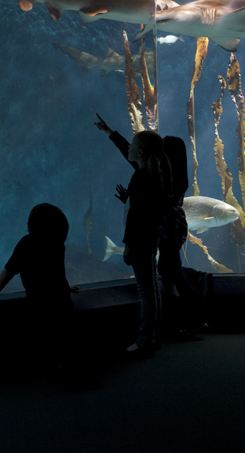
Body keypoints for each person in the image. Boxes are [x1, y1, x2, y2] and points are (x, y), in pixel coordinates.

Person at [95, 115, 209, 338]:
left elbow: (153, 203)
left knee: (170, 270)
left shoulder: (163, 178)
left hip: (169, 231)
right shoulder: (169, 176)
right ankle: (185, 313)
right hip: (172, 231)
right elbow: (133, 155)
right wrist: (111, 133)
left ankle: (196, 310)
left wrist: (134, 199)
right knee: (167, 269)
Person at [0, 203, 79, 373]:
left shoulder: (27, 243)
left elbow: (9, 271)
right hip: (60, 297)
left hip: (39, 300)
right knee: (65, 334)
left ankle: (61, 366)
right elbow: (57, 272)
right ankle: (70, 365)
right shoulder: (57, 244)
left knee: (48, 334)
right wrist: (63, 287)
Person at [96, 116, 171, 357]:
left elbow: (137, 217)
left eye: (132, 146)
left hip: (140, 241)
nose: (128, 148)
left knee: (146, 292)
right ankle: (153, 336)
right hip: (150, 239)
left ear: (139, 152)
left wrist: (127, 245)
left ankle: (144, 340)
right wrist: (110, 133)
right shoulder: (152, 172)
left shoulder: (140, 177)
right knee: (153, 290)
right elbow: (147, 209)